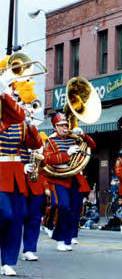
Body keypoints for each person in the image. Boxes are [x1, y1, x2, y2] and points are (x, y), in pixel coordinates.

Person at [0, 75, 42, 276]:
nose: (16, 100)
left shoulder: (20, 121)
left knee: (17, 218)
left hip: (16, 172)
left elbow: (35, 145)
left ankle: (8, 261)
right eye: (13, 95)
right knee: (5, 214)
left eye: (17, 97)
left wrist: (31, 124)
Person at [44, 112, 96, 251]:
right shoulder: (50, 141)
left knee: (74, 210)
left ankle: (67, 240)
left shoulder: (74, 138)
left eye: (66, 125)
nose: (65, 128)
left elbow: (92, 145)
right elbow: (47, 159)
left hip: (75, 178)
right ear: (55, 127)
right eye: (61, 126)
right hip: (59, 178)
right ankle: (60, 239)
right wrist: (66, 154)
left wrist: (83, 135)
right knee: (63, 207)